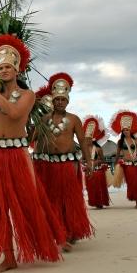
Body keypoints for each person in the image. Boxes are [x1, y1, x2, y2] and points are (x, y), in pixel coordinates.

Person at [0, 34, 64, 272]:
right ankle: (8, 256)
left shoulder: (27, 95)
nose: (3, 71)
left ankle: (44, 243)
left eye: (7, 67)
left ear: (17, 70)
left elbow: (14, 114)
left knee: (25, 204)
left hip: (16, 154)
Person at [31, 72, 94, 247]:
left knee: (68, 199)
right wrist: (31, 115)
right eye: (57, 99)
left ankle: (71, 231)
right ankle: (55, 230)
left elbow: (82, 141)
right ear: (53, 99)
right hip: (47, 165)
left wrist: (89, 162)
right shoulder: (43, 119)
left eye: (62, 100)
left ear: (68, 101)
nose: (59, 102)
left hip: (67, 164)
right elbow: (32, 138)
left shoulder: (74, 119)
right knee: (51, 199)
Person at [80, 115, 111, 209]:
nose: (87, 140)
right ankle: (94, 202)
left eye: (89, 139)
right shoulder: (84, 149)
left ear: (93, 139)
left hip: (98, 171)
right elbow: (81, 159)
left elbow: (103, 160)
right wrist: (83, 162)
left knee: (99, 188)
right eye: (86, 139)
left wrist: (98, 161)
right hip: (89, 171)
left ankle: (100, 202)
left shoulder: (98, 149)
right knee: (91, 189)